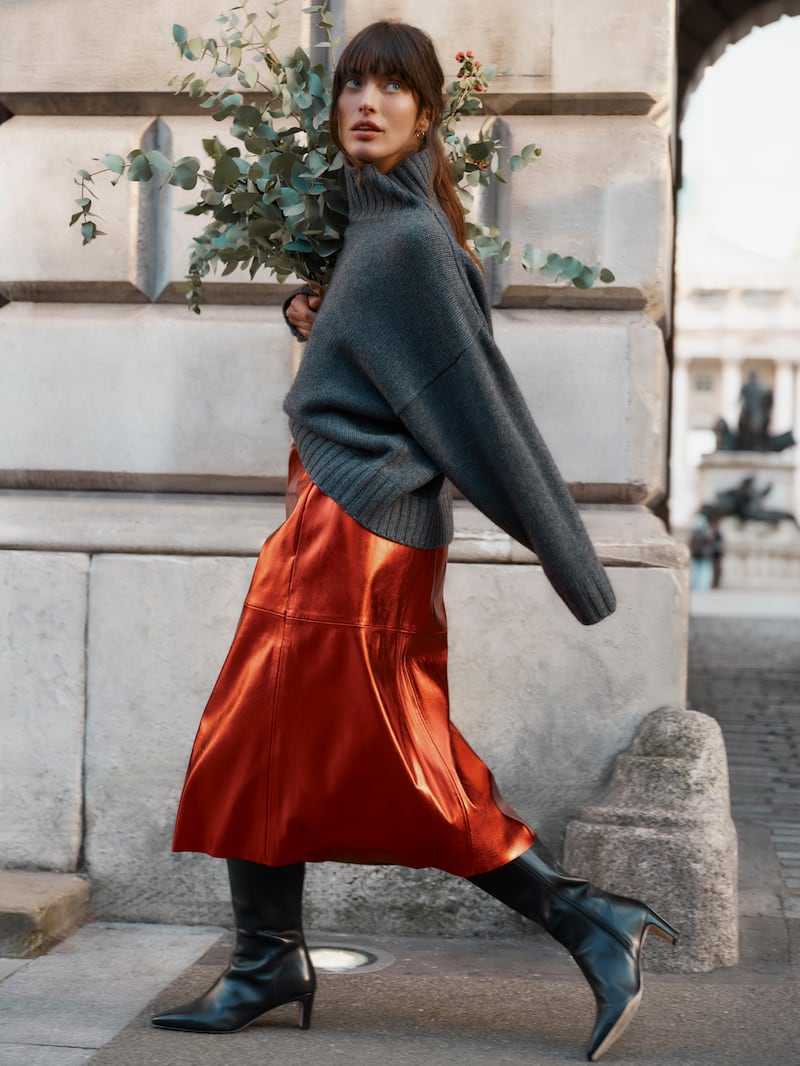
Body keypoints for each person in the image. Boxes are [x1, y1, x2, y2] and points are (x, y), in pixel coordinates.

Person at [151, 20, 677, 1062]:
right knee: (267, 744)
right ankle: (268, 959)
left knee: (381, 759)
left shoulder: (401, 242)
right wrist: (319, 317)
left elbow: (474, 403)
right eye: (352, 84)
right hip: (346, 523)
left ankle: (579, 913)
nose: (366, 101)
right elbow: (405, 355)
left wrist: (563, 551)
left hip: (352, 534)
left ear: (427, 115)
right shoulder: (383, 233)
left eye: (392, 87)